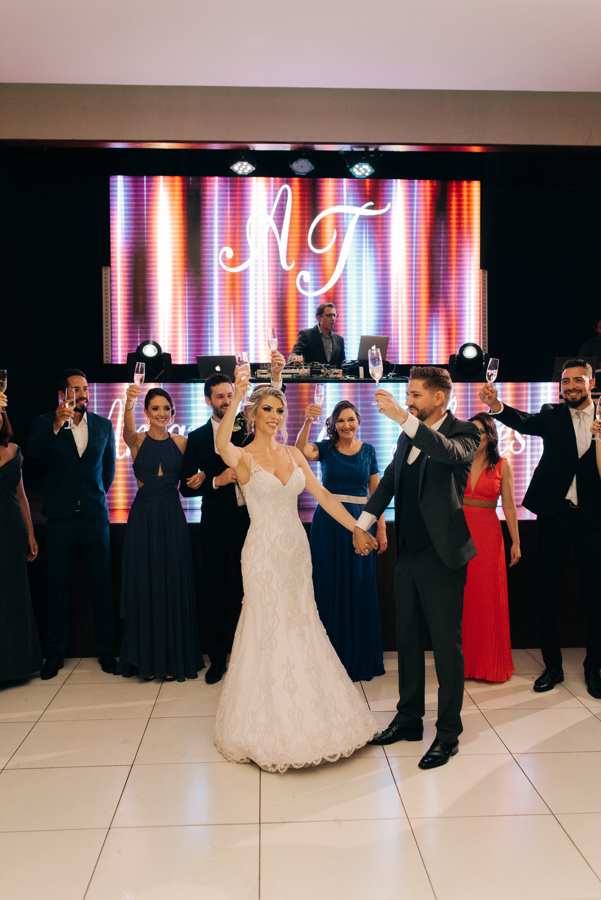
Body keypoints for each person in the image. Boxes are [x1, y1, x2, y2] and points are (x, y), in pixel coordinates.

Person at [213, 370, 378, 772]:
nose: (275, 415)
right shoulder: (243, 455)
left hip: (295, 550)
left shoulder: (294, 454)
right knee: (268, 625)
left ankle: (313, 707)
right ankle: (266, 721)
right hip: (262, 553)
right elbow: (220, 442)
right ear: (253, 414)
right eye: (267, 409)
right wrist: (237, 394)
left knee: (302, 622)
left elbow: (322, 495)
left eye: (280, 409)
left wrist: (359, 526)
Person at [353, 366, 480, 770]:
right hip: (407, 553)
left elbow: (448, 453)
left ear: (439, 397)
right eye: (407, 396)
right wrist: (362, 523)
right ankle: (408, 720)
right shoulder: (406, 432)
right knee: (406, 641)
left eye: (415, 396)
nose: (408, 402)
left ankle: (448, 735)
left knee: (446, 649)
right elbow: (389, 481)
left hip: (442, 557)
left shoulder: (465, 432)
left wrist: (403, 419)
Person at [480, 359, 601, 700]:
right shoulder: (551, 414)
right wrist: (495, 406)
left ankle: (594, 667)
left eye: (578, 380)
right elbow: (523, 422)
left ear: (591, 383)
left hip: (593, 517)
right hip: (553, 515)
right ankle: (553, 667)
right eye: (566, 381)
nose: (571, 386)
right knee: (548, 592)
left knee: (595, 594)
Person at [180, 351, 286, 684]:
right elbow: (185, 486)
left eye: (230, 395)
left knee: (250, 589)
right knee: (214, 592)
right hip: (214, 525)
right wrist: (214, 480)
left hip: (252, 523)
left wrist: (277, 376)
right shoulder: (197, 438)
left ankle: (252, 656)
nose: (227, 400)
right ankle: (218, 659)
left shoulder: (246, 427)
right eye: (221, 396)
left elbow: (272, 413)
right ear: (208, 399)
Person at [27, 369, 117, 680]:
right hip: (61, 520)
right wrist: (55, 424)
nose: (83, 393)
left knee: (103, 586)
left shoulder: (104, 425)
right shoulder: (44, 423)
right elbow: (35, 454)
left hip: (94, 518)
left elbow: (108, 472)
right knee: (57, 587)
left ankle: (107, 651)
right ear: (63, 394)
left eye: (85, 388)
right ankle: (54, 653)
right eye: (76, 389)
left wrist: (93, 498)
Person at [116, 386, 203, 682]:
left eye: (166, 408)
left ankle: (171, 658)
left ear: (172, 412)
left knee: (171, 582)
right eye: (155, 408)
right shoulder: (137, 440)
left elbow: (199, 467)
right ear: (146, 412)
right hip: (143, 518)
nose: (162, 414)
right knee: (146, 582)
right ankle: (148, 661)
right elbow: (127, 430)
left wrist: (203, 474)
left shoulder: (181, 442)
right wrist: (129, 401)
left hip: (172, 517)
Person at [295, 399, 386, 681]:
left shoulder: (369, 451)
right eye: (342, 420)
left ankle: (359, 657)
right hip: (329, 523)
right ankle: (328, 659)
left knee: (360, 585)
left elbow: (377, 493)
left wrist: (380, 529)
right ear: (334, 424)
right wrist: (308, 421)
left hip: (362, 520)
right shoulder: (325, 448)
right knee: (329, 583)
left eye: (351, 419)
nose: (347, 425)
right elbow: (300, 452)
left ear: (358, 421)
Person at [462, 412, 521, 683]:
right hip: (459, 532)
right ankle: (462, 665)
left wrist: (516, 541)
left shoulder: (502, 465)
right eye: (473, 431)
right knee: (462, 598)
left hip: (488, 534)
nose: (478, 436)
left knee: (488, 597)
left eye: (482, 432)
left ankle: (488, 663)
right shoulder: (458, 459)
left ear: (491, 436)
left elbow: (508, 505)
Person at [0, 393, 42, 682]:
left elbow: (22, 496)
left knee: (13, 596)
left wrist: (30, 533)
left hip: (11, 529)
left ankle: (15, 667)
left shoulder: (13, 450)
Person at [288, 302, 345, 367]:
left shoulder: (339, 339)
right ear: (319, 318)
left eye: (334, 315)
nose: (332, 318)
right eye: (329, 315)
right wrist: (295, 358)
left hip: (334, 377)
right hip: (312, 376)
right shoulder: (307, 335)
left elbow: (342, 364)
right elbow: (293, 353)